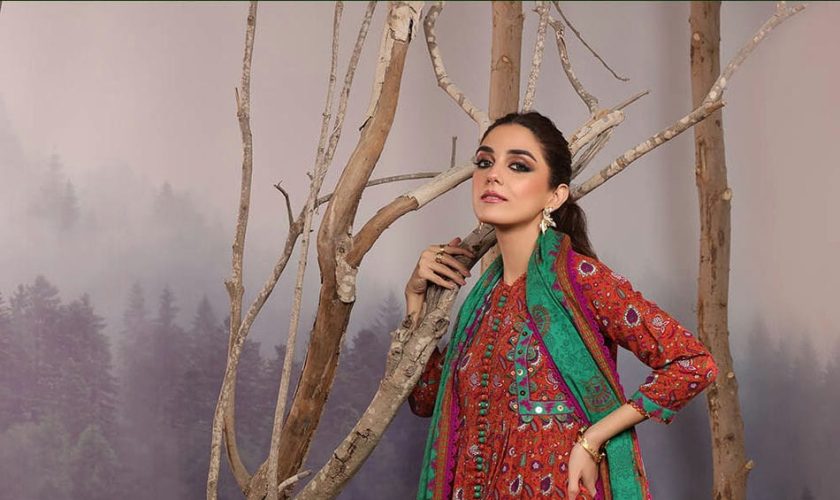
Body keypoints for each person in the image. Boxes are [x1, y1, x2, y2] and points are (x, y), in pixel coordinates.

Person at [403, 111, 719, 500]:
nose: (493, 175)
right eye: (484, 162)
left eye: (518, 166)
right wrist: (416, 299)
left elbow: (692, 363)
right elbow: (426, 399)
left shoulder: (582, 280)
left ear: (555, 195)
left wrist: (594, 438)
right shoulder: (481, 304)